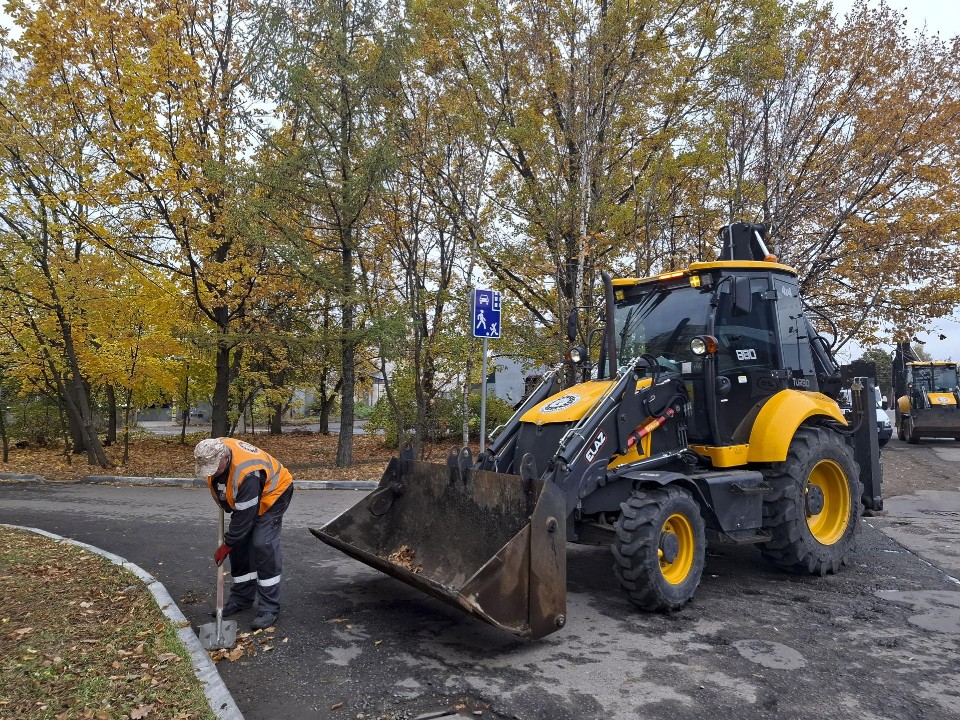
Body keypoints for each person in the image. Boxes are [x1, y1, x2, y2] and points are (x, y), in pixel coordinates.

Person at [194, 437, 294, 630]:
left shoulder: (248, 473)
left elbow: (245, 518)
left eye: (215, 468)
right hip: (249, 499)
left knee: (262, 544)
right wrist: (233, 542)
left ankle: (269, 607)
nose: (212, 472)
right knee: (240, 545)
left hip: (275, 493)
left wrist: (227, 544)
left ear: (225, 458)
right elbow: (236, 507)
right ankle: (241, 598)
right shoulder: (213, 451)